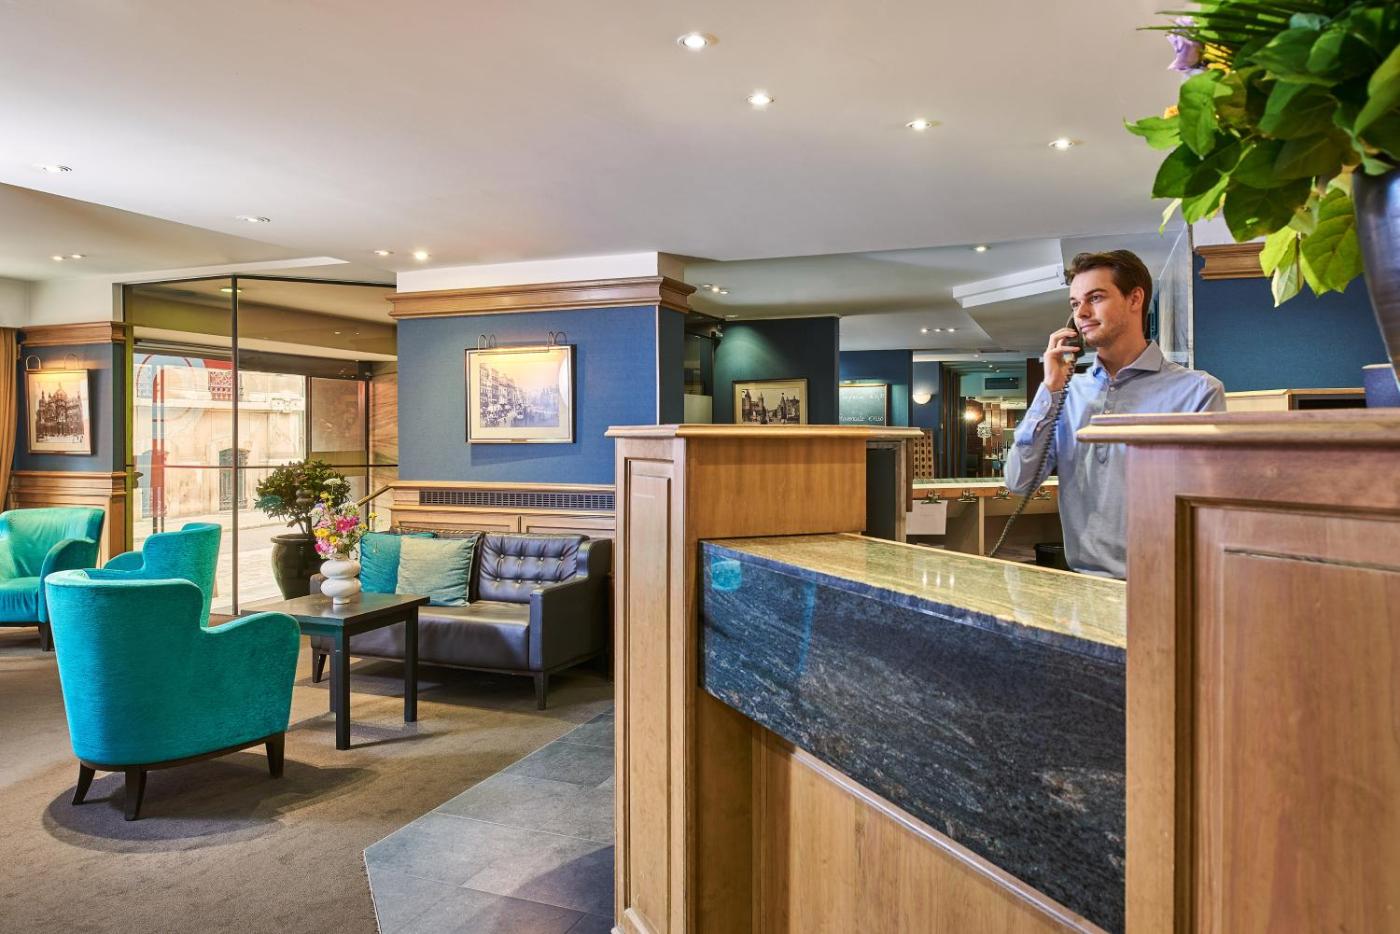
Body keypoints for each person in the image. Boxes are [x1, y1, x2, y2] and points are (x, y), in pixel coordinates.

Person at [1004, 250, 1225, 579]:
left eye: (1095, 298)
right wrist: (1048, 389)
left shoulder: (1197, 391)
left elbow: (1209, 506)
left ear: (1135, 298)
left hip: (1166, 582)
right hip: (1085, 585)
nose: (1082, 313)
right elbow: (1018, 482)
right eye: (1075, 304)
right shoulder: (1066, 394)